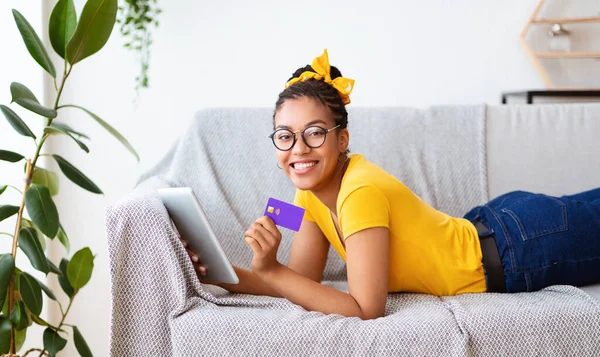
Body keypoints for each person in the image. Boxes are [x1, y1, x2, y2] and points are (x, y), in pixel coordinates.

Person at [181, 49, 600, 320]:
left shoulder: (359, 192)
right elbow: (302, 280)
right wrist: (219, 274)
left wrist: (270, 270)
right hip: (498, 226)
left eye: (314, 132)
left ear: (342, 139)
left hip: (518, 250)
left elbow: (365, 309)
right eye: (285, 136)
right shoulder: (307, 195)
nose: (298, 149)